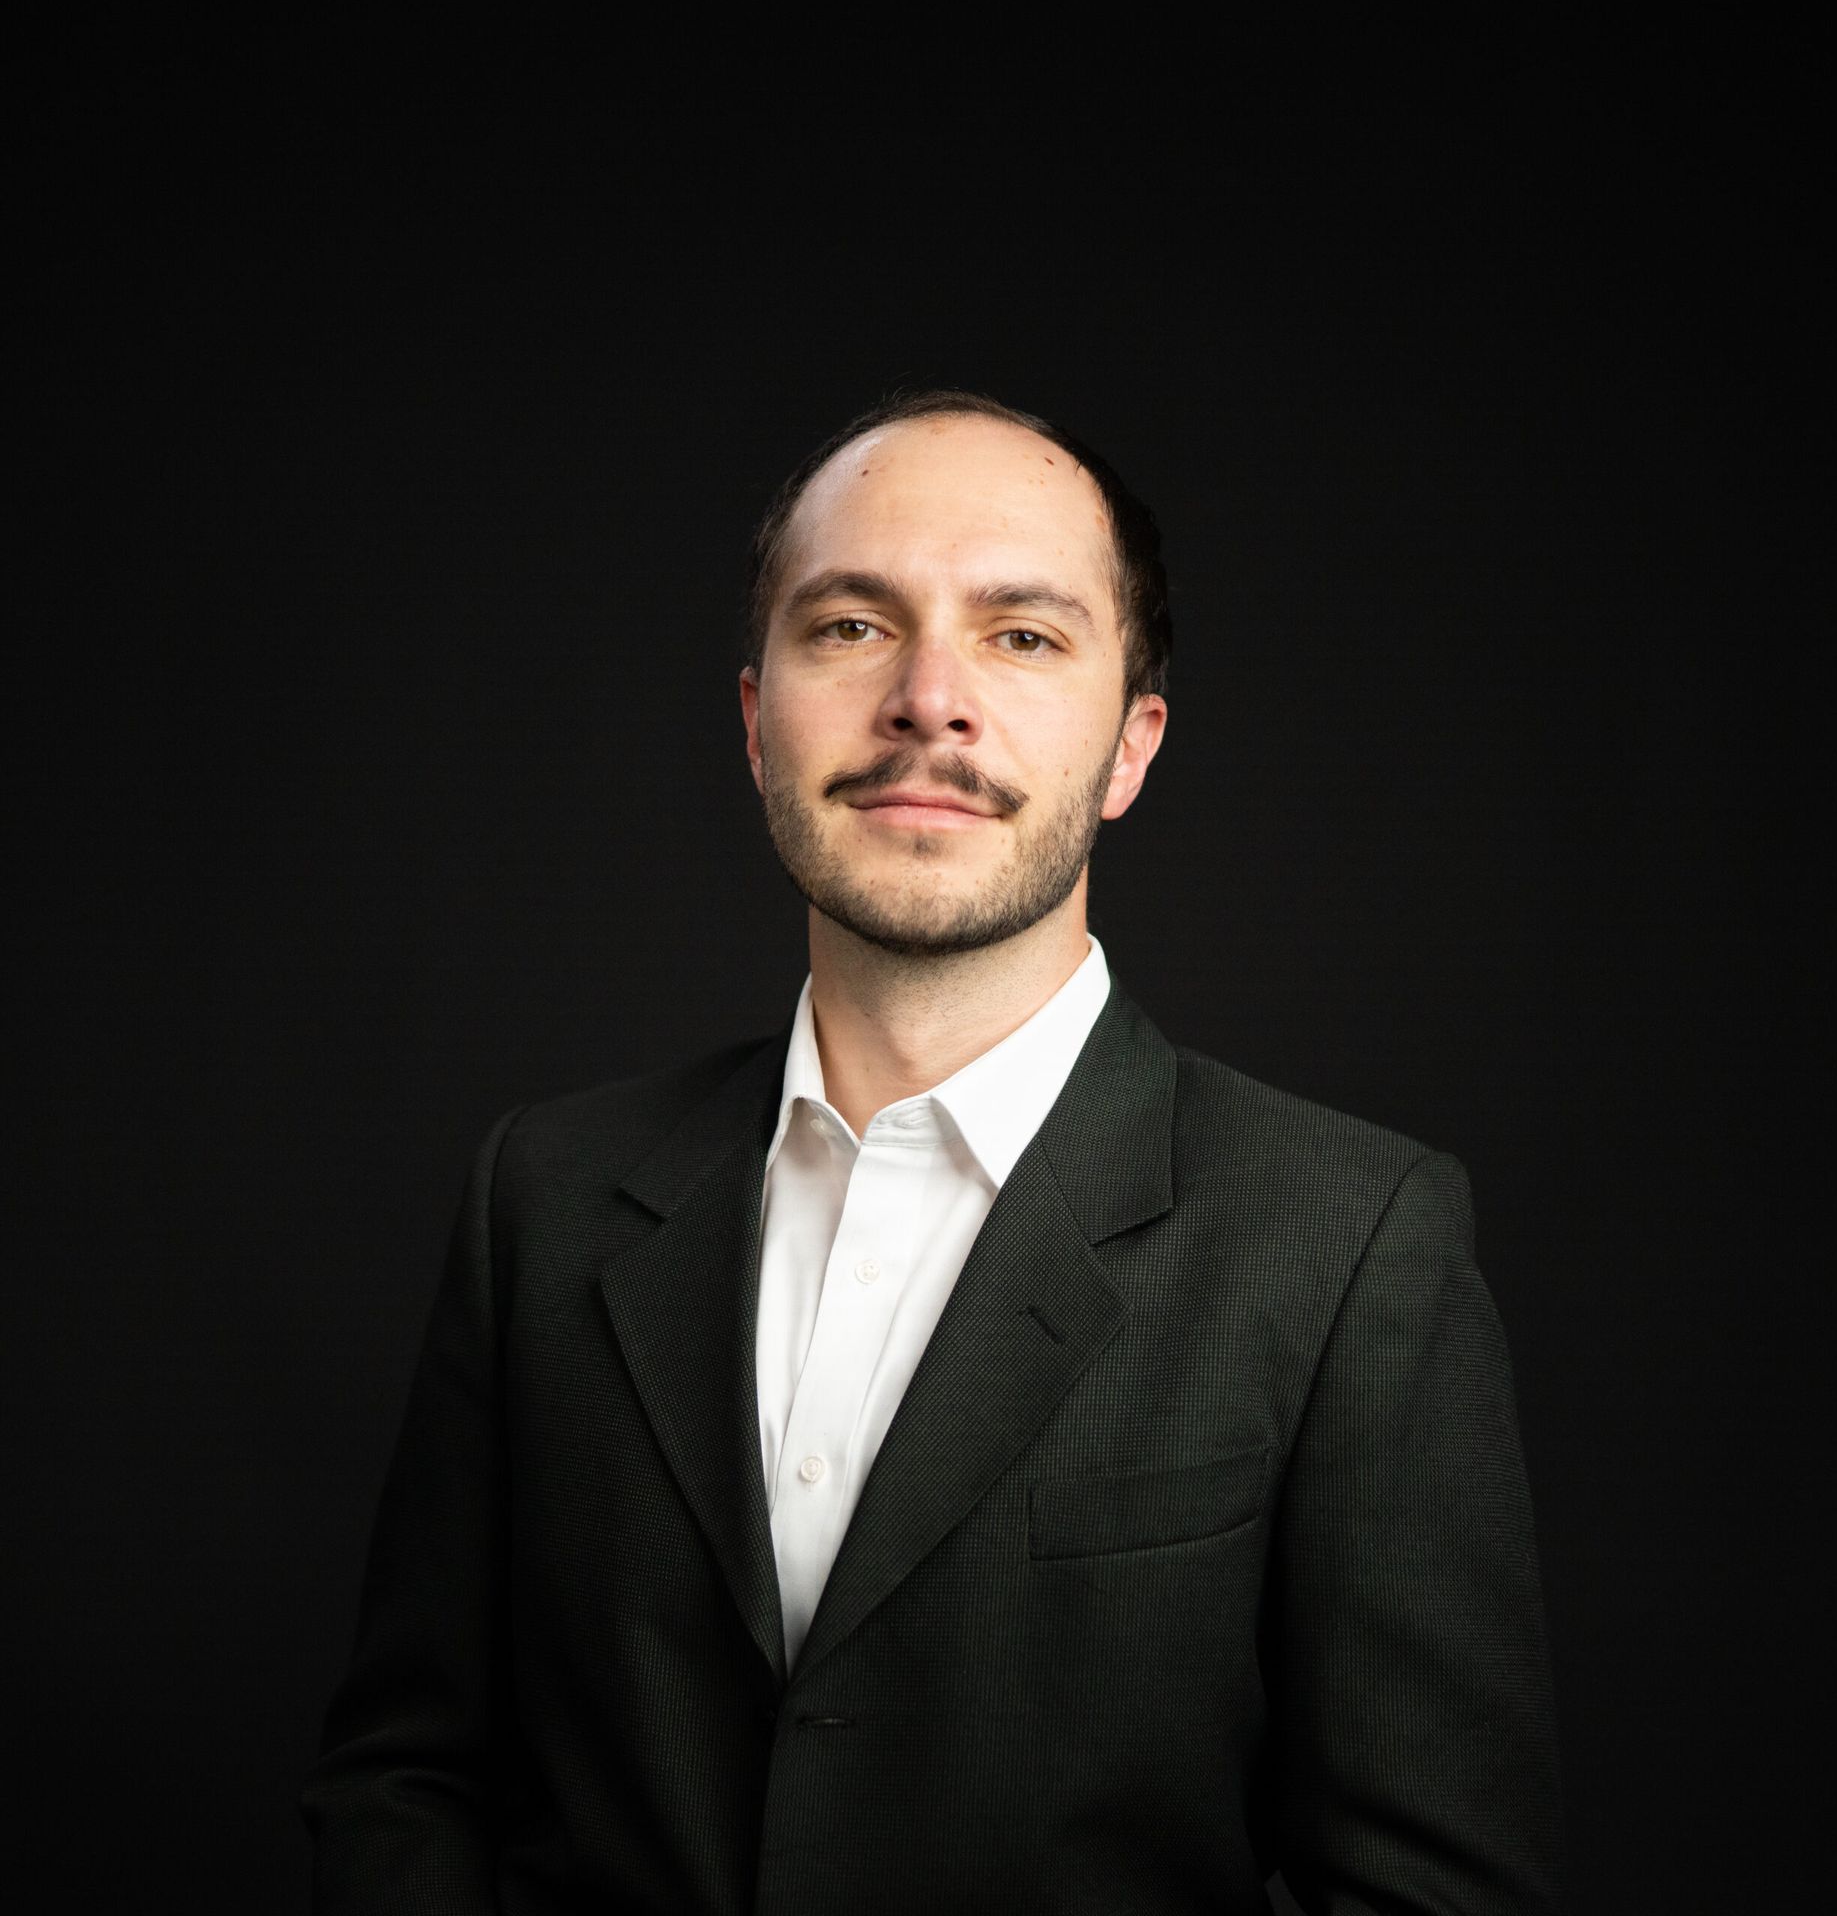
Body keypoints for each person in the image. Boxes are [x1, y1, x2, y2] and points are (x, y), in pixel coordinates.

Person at [301, 389, 1566, 1914]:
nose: (930, 701)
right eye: (851, 625)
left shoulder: (1355, 1245)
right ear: (758, 714)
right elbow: (411, 1782)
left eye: (1022, 636)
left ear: (1130, 747)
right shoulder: (545, 1196)